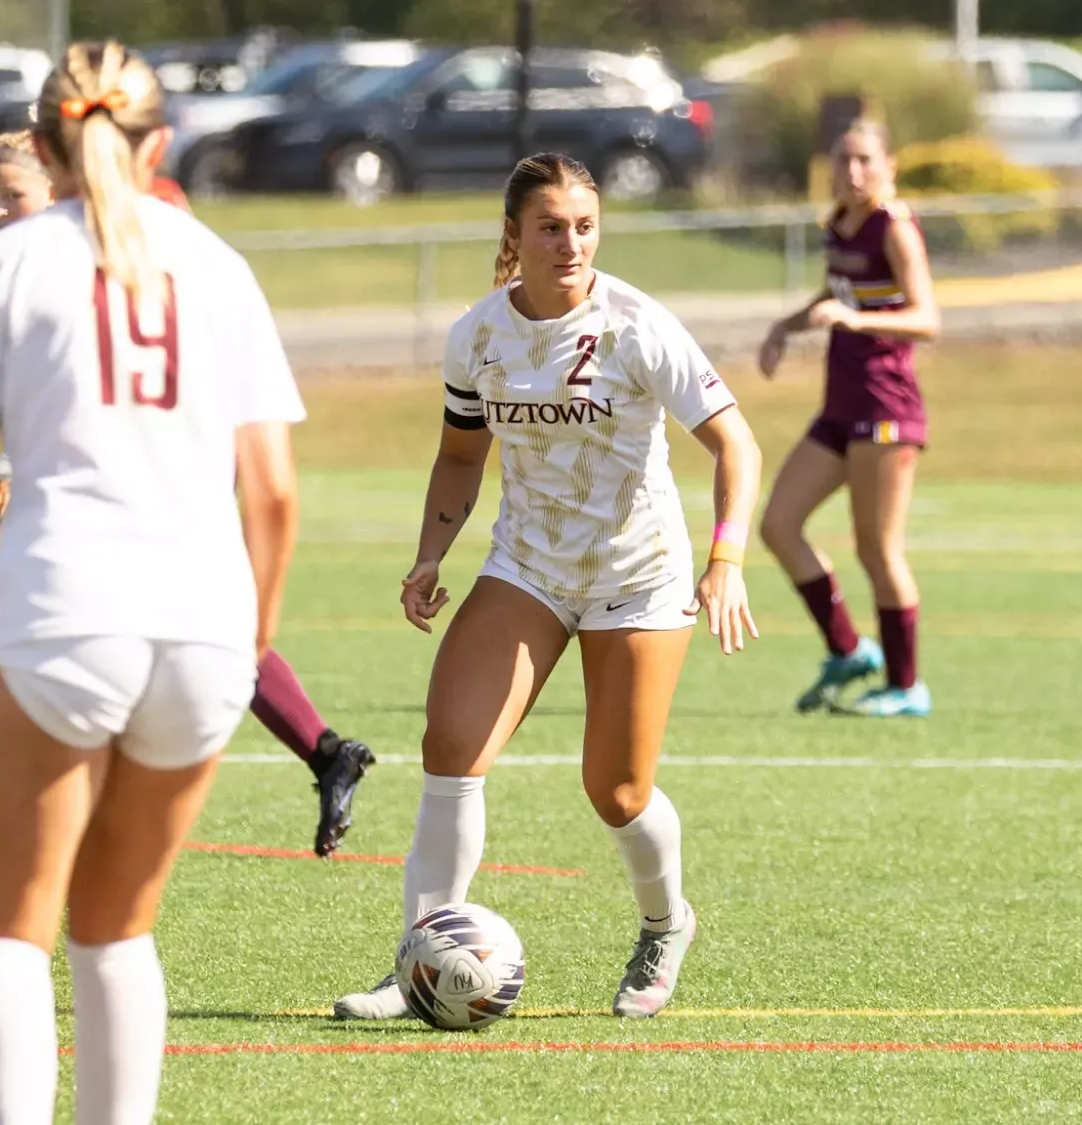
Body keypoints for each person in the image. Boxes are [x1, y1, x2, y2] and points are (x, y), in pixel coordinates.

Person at [0, 42, 305, 1123]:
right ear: (159, 144)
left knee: (8, 933)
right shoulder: (218, 264)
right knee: (118, 931)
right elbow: (271, 492)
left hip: (64, 611)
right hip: (206, 628)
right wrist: (249, 633)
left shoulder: (8, 260)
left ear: (39, 146)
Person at [332, 153, 762, 1021]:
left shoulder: (638, 326)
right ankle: (419, 960)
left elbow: (737, 446)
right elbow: (461, 454)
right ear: (514, 235)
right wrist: (430, 555)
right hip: (527, 566)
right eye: (551, 227)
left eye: (585, 226)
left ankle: (664, 921)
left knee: (617, 790)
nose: (571, 243)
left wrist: (726, 558)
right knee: (450, 748)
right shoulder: (479, 335)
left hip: (637, 575)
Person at [0, 139, 376, 858]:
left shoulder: (123, 233)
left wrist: (1, 468)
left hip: (172, 462)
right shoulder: (33, 263)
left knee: (129, 624)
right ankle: (323, 750)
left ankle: (104, 794)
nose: (1, 211)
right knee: (181, 622)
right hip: (136, 470)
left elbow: (114, 371)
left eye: (15, 195)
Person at [756, 119, 940, 718]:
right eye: (843, 161)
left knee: (877, 550)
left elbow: (926, 318)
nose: (853, 172)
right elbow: (835, 294)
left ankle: (906, 686)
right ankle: (846, 650)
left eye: (865, 160)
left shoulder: (895, 228)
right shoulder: (838, 223)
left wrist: (855, 321)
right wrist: (786, 326)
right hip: (840, 409)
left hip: (886, 410)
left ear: (889, 166)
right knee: (779, 524)